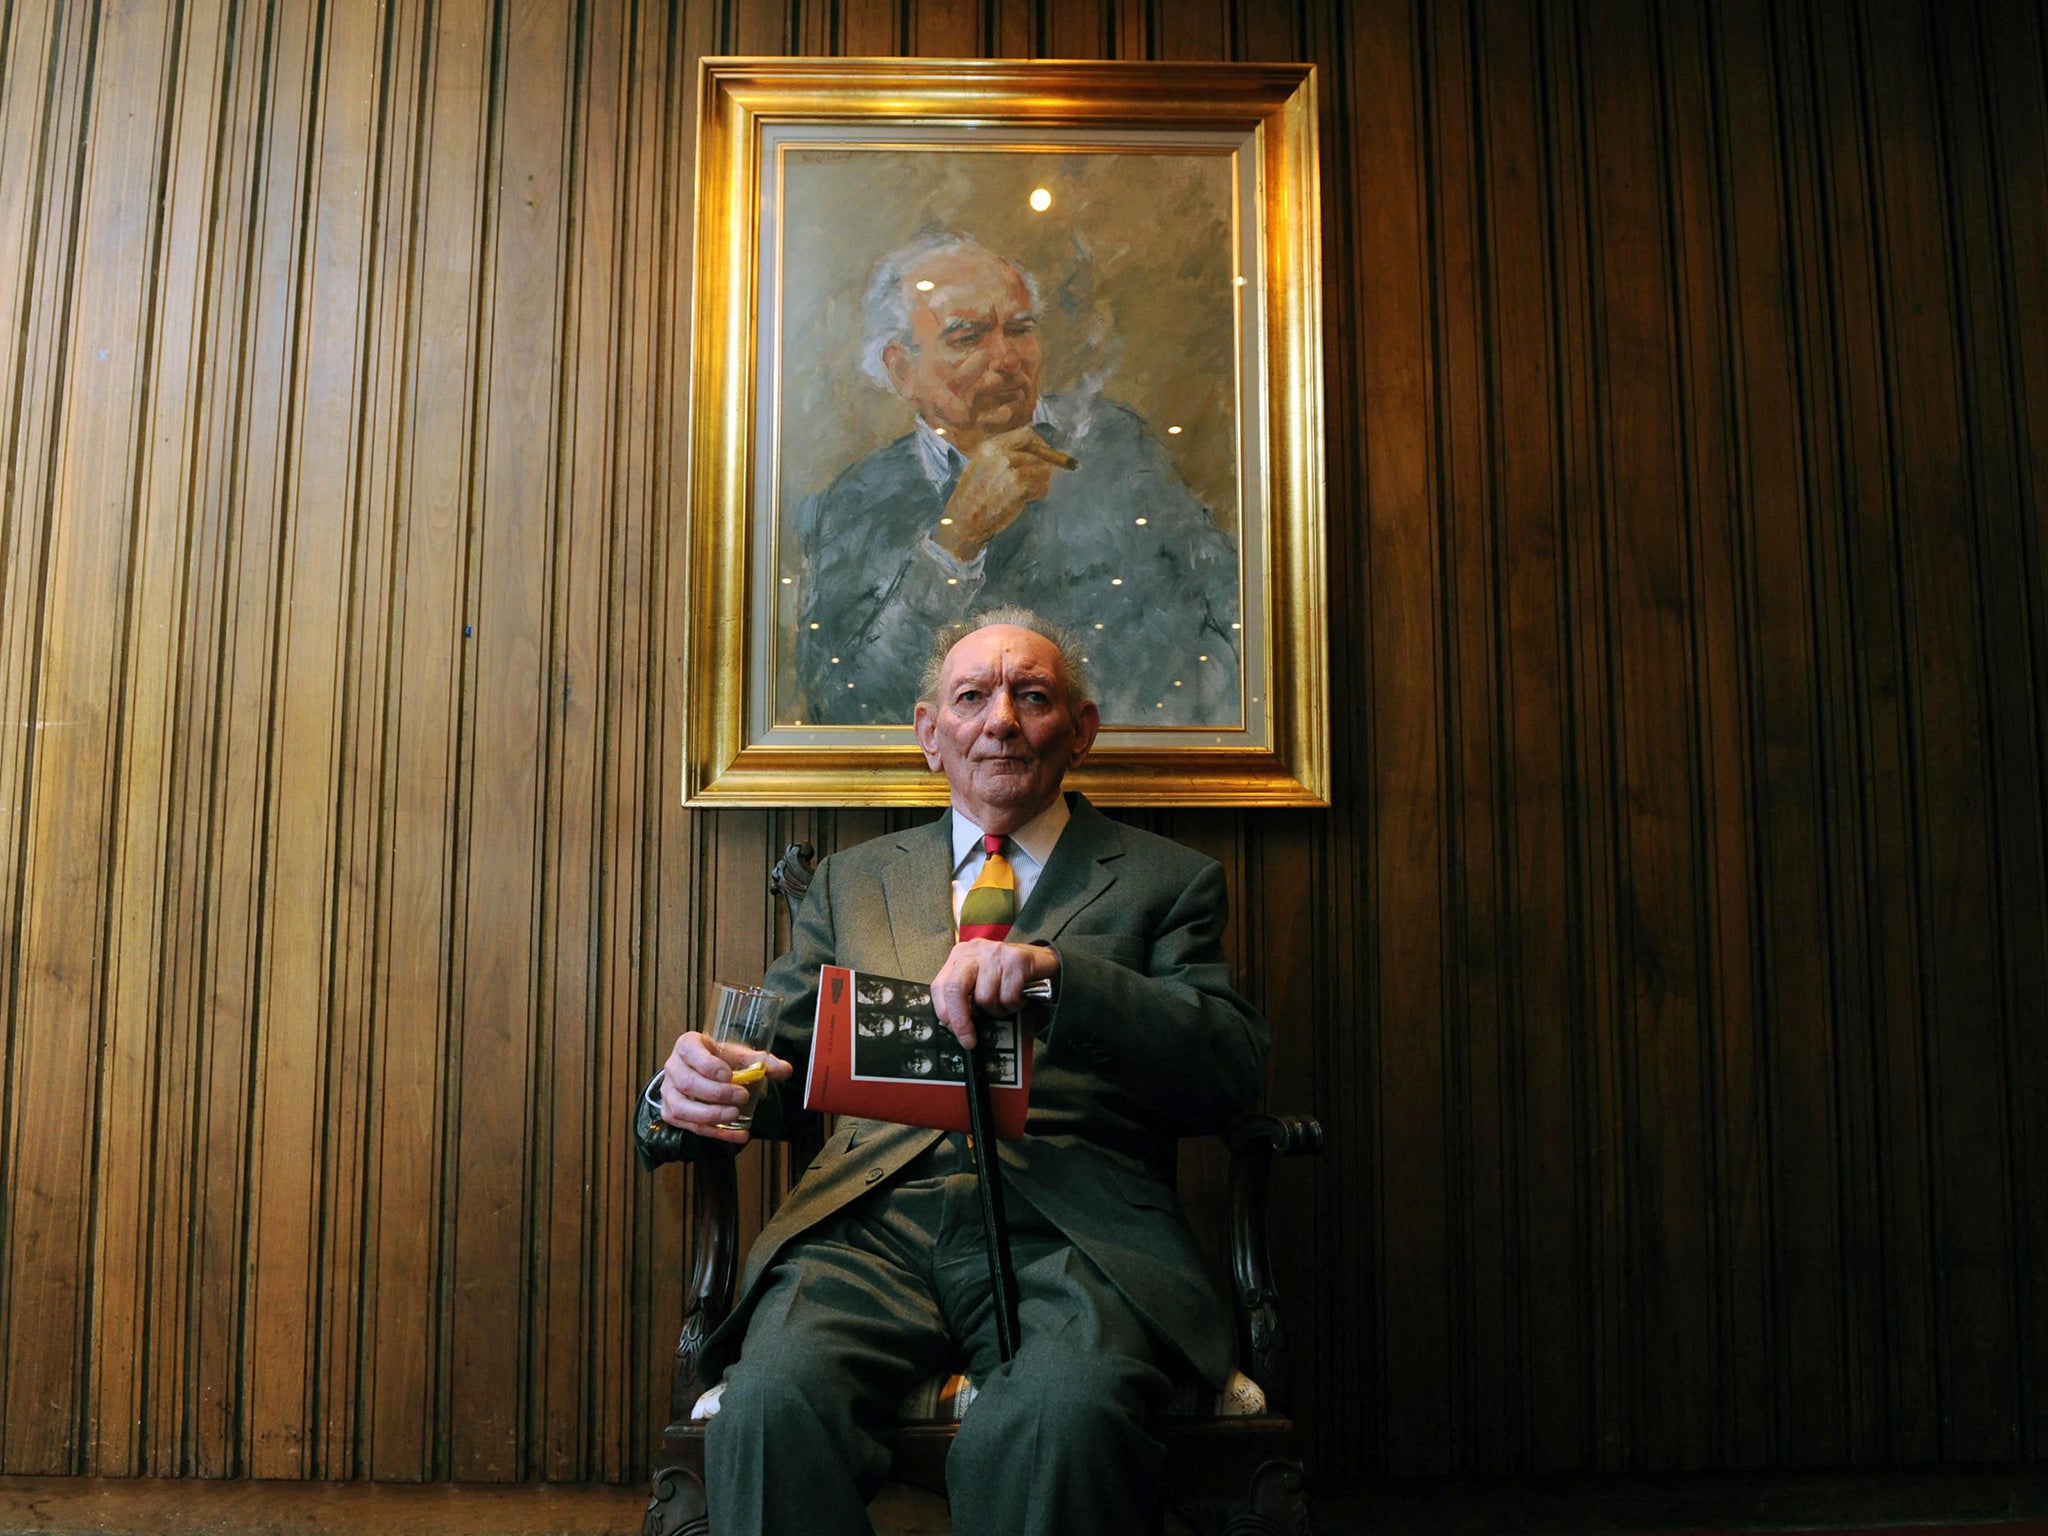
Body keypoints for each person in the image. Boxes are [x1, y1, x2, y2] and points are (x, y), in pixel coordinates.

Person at [647, 609, 1269, 1536]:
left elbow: (1231, 1064)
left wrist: (1066, 981)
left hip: (1074, 1233)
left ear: (1082, 732)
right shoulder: (852, 884)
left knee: (1057, 1423)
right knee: (770, 1408)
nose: (1001, 720)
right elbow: (772, 1059)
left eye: (1034, 696)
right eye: (972, 697)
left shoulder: (1163, 880)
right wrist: (687, 1089)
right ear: (931, 735)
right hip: (866, 1233)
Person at [790, 232, 1243, 727]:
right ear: (902, 371)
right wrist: (953, 541)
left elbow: (1230, 603)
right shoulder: (859, 500)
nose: (1008, 359)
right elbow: (844, 701)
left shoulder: (1115, 441)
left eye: (1021, 329)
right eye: (967, 337)